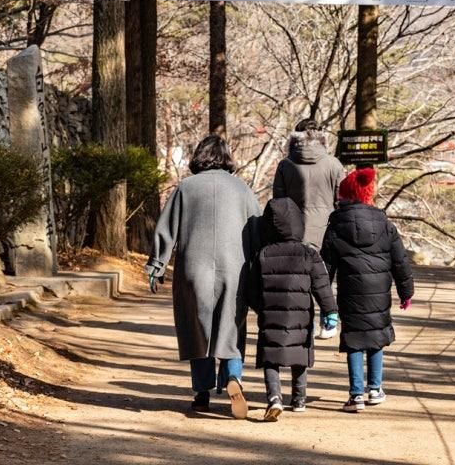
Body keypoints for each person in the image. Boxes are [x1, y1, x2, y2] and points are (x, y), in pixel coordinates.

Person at [145, 135, 261, 419]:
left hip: (193, 268)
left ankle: (201, 393)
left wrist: (156, 266)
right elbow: (257, 231)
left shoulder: (186, 188)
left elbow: (166, 229)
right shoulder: (241, 189)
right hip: (235, 268)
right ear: (226, 157)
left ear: (200, 156)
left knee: (197, 327)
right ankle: (233, 376)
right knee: (232, 325)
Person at [321, 167, 414, 413]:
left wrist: (324, 299)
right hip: (379, 289)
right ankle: (375, 389)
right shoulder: (384, 223)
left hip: (350, 291)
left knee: (353, 339)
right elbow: (400, 261)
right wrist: (406, 292)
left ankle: (355, 395)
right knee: (376, 336)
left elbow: (326, 265)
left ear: (344, 194)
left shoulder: (336, 225)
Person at [247, 198, 338, 422]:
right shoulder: (309, 254)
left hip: (270, 314)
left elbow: (251, 289)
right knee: (300, 353)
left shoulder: (263, 254)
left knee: (270, 357)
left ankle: (274, 398)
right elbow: (322, 287)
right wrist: (330, 312)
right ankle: (299, 398)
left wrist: (262, 308)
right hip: (301, 314)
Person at [273, 118, 344, 340]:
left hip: (294, 232)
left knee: (299, 280)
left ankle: (304, 324)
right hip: (326, 230)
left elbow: (279, 202)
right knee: (325, 277)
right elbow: (342, 199)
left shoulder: (286, 165)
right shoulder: (333, 164)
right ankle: (329, 322)